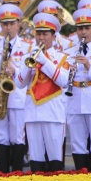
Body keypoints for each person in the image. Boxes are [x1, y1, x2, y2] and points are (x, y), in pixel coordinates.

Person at [14, 13, 70, 172]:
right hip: (32, 112)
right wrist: (28, 67)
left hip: (53, 113)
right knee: (36, 158)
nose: (41, 38)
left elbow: (64, 81)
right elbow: (19, 83)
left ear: (53, 37)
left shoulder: (61, 58)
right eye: (38, 34)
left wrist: (45, 62)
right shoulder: (28, 57)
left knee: (55, 157)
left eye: (45, 34)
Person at [0, 4, 31, 173]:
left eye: (11, 23)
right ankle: (3, 172)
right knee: (1, 136)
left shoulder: (27, 47)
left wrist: (16, 70)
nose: (8, 27)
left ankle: (17, 173)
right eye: (5, 24)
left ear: (18, 24)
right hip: (0, 97)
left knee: (17, 136)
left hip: (18, 96)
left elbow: (30, 72)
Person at [63, 8, 91, 172]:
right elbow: (62, 79)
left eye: (87, 28)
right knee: (78, 145)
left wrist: (88, 66)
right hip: (75, 100)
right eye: (80, 28)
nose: (83, 32)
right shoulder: (68, 53)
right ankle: (82, 180)